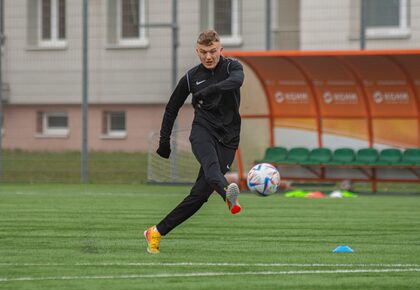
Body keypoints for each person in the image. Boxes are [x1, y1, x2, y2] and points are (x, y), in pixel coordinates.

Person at [144, 29, 244, 254]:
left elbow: (236, 82)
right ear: (197, 52)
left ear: (221, 50)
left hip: (228, 138)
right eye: (203, 52)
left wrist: (209, 91)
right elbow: (172, 108)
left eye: (213, 51)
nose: (208, 57)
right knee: (211, 169)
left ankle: (156, 231)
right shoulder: (191, 77)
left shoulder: (232, 67)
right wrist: (164, 141)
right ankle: (228, 194)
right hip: (203, 131)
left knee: (198, 196)